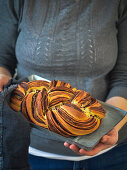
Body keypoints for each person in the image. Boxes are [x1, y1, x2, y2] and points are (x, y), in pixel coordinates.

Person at [0, 0, 127, 169]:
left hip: (112, 152)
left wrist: (109, 129)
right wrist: (2, 78)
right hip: (32, 152)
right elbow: (2, 59)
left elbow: (123, 77)